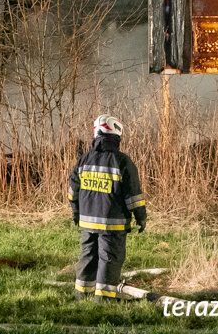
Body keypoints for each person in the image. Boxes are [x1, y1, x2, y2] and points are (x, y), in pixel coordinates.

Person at [69, 114, 146, 302]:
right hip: (113, 224)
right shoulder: (122, 162)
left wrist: (76, 213)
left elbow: (73, 192)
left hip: (87, 221)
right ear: (116, 136)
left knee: (88, 255)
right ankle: (104, 299)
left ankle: (82, 293)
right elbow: (133, 195)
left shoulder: (84, 160)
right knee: (109, 258)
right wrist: (141, 217)